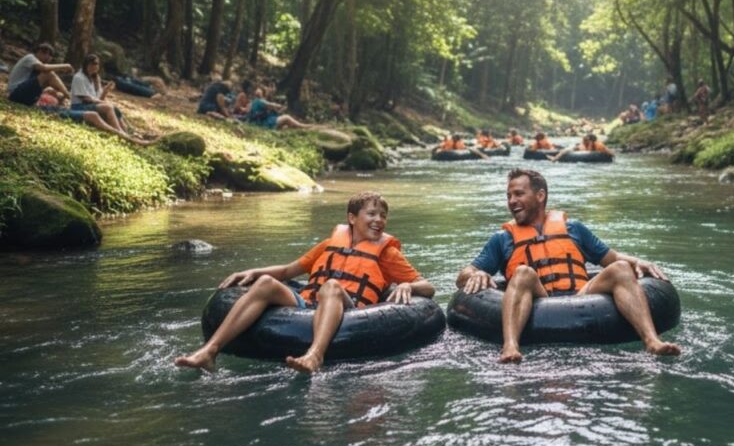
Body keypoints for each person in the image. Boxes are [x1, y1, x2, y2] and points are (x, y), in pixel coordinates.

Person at [175, 192, 435, 373]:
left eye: (383, 216)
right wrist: (253, 271)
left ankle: (314, 355)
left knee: (331, 287)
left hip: (350, 308)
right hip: (307, 303)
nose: (379, 220)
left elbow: (428, 288)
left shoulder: (387, 253)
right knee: (266, 283)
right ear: (352, 218)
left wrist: (407, 285)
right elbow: (289, 270)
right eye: (372, 214)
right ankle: (209, 352)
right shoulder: (329, 245)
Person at [456, 169, 681, 363]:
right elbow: (464, 274)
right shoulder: (502, 238)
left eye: (519, 194)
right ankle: (511, 347)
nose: (512, 201)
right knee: (523, 272)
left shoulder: (573, 228)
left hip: (581, 294)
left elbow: (611, 258)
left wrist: (637, 261)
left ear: (540, 195)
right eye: (508, 196)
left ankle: (652, 342)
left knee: (622, 268)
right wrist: (477, 274)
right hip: (539, 296)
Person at [70, 53, 153, 144]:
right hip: (79, 106)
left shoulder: (94, 78)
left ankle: (128, 131)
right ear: (88, 65)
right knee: (108, 107)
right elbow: (85, 99)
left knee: (114, 108)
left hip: (90, 104)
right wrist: (101, 101)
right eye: (94, 64)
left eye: (97, 64)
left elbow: (99, 98)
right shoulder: (79, 78)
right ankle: (121, 133)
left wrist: (105, 89)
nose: (96, 67)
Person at [6, 42, 73, 107]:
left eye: (50, 56)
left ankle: (63, 101)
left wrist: (56, 92)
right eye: (45, 53)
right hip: (15, 93)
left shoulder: (37, 70)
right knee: (49, 74)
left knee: (50, 89)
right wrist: (64, 66)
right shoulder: (30, 58)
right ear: (39, 52)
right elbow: (44, 68)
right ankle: (69, 96)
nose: (48, 58)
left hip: (22, 94)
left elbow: (49, 81)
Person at [245, 86, 314, 130]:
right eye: (258, 90)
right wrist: (279, 106)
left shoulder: (253, 102)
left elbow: (248, 111)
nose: (258, 91)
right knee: (286, 117)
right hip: (263, 124)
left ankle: (301, 127)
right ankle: (302, 126)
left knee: (285, 125)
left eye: (260, 90)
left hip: (260, 122)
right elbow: (272, 105)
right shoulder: (259, 101)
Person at [548, 132, 613, 162]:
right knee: (565, 150)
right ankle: (555, 158)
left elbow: (610, 153)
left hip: (595, 156)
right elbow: (572, 149)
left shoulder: (599, 146)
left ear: (590, 140)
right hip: (581, 152)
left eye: (587, 140)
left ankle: (555, 158)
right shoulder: (582, 145)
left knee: (565, 150)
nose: (585, 141)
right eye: (585, 140)